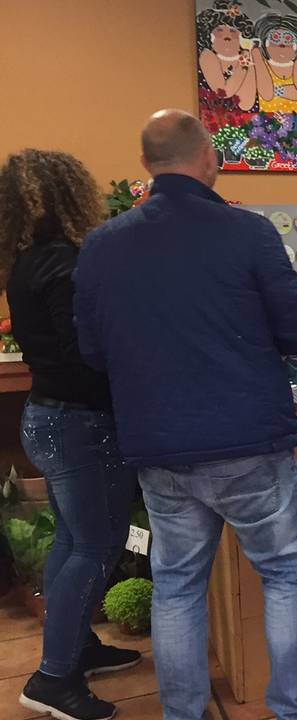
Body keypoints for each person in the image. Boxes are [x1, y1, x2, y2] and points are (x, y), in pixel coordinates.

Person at [73, 109, 297, 720]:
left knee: (179, 586)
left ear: (145, 166)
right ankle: (295, 710)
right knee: (286, 575)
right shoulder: (250, 233)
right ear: (209, 159)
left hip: (160, 449)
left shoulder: (102, 245)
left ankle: (182, 714)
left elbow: (92, 352)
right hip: (249, 442)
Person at [1, 151, 141, 720]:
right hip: (82, 423)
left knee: (71, 540)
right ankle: (52, 679)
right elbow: (87, 353)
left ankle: (76, 648)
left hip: (48, 418)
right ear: (67, 196)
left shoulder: (27, 261)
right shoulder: (66, 263)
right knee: (95, 545)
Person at [196, 0, 258, 112]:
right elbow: (223, 92)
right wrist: (243, 63)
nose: (227, 36)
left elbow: (247, 103)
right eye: (219, 30)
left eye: (232, 31)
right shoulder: (207, 56)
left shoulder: (246, 57)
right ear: (209, 35)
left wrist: (245, 58)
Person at [251, 14, 297, 115]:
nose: (282, 44)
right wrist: (256, 54)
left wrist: (273, 90)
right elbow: (266, 94)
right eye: (275, 37)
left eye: (288, 38)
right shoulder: (261, 64)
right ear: (265, 42)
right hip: (267, 122)